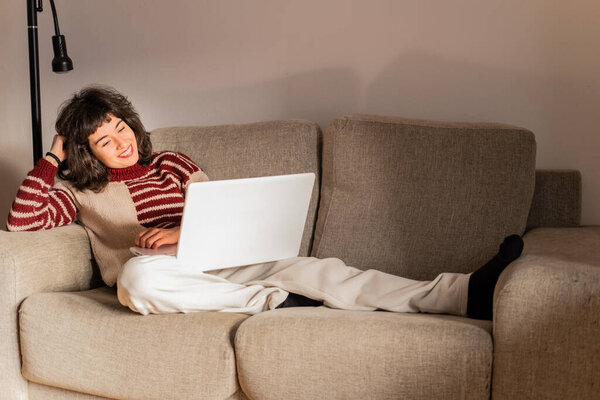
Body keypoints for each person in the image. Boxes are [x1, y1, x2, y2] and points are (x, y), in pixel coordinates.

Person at [6, 86, 523, 320]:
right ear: (86, 151)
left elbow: (221, 214)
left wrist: (184, 235)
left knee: (325, 271)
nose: (119, 140)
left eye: (120, 126)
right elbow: (22, 221)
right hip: (168, 278)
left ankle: (464, 294)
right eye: (102, 139)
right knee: (135, 282)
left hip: (225, 261)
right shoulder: (81, 190)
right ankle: (275, 301)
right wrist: (54, 155)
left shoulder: (174, 163)